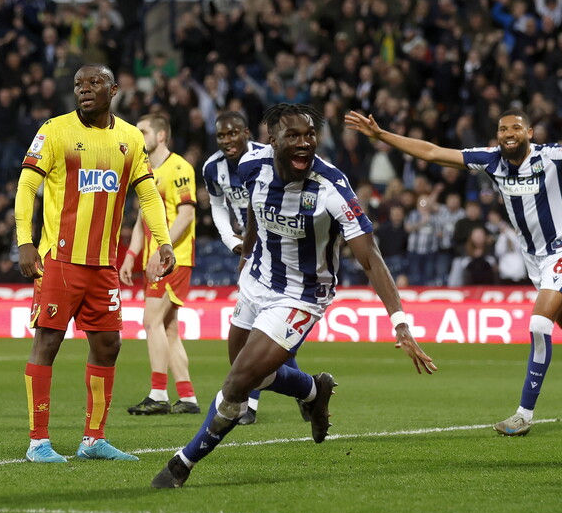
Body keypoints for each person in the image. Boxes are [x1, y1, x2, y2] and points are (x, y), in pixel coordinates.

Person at [152, 103, 437, 489]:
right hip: (256, 282)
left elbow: (371, 259)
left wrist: (400, 322)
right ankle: (312, 389)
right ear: (271, 140)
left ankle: (183, 463)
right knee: (252, 369)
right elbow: (254, 207)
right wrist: (246, 246)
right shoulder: (251, 168)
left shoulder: (331, 187)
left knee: (237, 382)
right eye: (293, 136)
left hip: (300, 297)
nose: (304, 143)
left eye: (310, 135)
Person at [346, 109, 562, 437]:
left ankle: (524, 414)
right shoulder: (491, 160)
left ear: (529, 132)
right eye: (503, 128)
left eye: (516, 128)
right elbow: (433, 152)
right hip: (535, 260)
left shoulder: (551, 156)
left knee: (537, 325)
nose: (508, 133)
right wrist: (382, 136)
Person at [14, 64, 175, 463]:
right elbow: (27, 186)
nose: (84, 90)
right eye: (78, 85)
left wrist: (163, 242)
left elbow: (149, 196)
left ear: (114, 90)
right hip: (60, 259)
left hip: (103, 264)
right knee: (47, 342)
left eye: (94, 83)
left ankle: (93, 440)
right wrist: (24, 241)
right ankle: (38, 442)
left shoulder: (130, 138)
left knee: (108, 345)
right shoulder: (54, 130)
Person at [199, 109, 305, 425]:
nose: (227, 140)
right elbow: (218, 206)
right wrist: (233, 242)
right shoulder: (211, 167)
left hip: (279, 246)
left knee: (264, 329)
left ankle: (249, 402)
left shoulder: (270, 155)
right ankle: (304, 391)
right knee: (265, 329)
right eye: (221, 135)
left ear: (247, 132)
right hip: (249, 249)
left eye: (233, 133)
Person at [121, 114, 200, 415]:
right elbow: (143, 220)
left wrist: (162, 251)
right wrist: (132, 254)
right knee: (168, 328)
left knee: (150, 321)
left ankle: (158, 394)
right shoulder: (145, 171)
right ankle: (188, 396)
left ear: (161, 136)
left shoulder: (179, 168)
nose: (138, 136)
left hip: (172, 260)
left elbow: (186, 215)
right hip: (156, 259)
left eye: (143, 131)